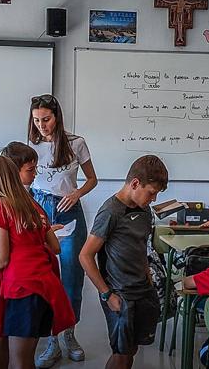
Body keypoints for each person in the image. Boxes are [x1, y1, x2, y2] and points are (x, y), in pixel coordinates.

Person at [0, 155, 75, 369]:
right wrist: (30, 243)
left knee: (20, 361)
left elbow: (2, 258)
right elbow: (55, 248)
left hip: (20, 289)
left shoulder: (0, 207)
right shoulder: (33, 206)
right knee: (25, 357)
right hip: (43, 288)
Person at [27, 94, 98, 367]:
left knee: (71, 274)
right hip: (39, 208)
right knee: (45, 276)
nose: (42, 126)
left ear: (57, 116)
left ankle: (69, 334)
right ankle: (51, 342)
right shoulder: (30, 144)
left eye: (46, 119)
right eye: (36, 120)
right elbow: (24, 181)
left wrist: (78, 192)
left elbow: (92, 178)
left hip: (69, 210)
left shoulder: (76, 143)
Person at [79, 155, 168, 369]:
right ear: (135, 183)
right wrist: (106, 294)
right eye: (152, 193)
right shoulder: (111, 212)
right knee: (121, 354)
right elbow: (85, 256)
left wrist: (147, 277)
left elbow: (140, 246)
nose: (153, 199)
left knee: (131, 350)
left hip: (142, 289)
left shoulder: (144, 210)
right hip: (119, 293)